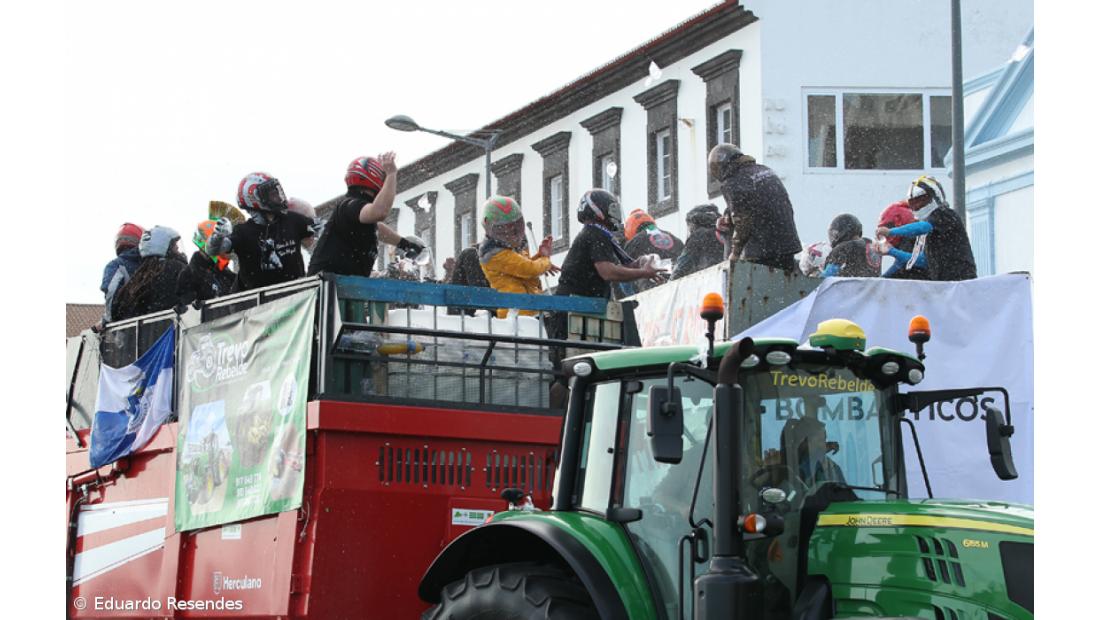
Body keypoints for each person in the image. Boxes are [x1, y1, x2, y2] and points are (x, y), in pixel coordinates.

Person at [547, 190, 665, 403]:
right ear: (598, 211)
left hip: (580, 309)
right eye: (611, 209)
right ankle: (557, 415)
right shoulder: (595, 234)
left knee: (576, 369)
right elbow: (608, 271)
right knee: (566, 372)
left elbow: (628, 263)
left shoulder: (601, 234)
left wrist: (644, 264)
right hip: (570, 310)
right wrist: (643, 272)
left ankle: (567, 412)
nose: (615, 214)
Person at [307, 153, 424, 278]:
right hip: (326, 287)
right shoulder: (350, 205)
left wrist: (405, 244)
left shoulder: (352, 209)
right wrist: (391, 174)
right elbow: (380, 212)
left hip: (339, 284)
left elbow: (378, 228)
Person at [206, 172, 320, 292]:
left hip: (296, 299)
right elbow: (212, 250)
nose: (278, 197)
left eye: (277, 192)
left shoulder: (291, 219)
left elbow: (321, 227)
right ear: (254, 199)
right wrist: (218, 236)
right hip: (258, 306)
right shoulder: (243, 232)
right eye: (272, 194)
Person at [709, 143, 802, 272]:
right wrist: (727, 216)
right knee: (784, 286)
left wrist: (735, 253)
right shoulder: (764, 170)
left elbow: (742, 220)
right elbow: (758, 201)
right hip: (787, 242)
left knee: (760, 288)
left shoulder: (733, 181)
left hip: (763, 248)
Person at [875, 175, 976, 281]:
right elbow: (923, 261)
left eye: (921, 200)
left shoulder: (945, 214)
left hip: (961, 281)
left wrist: (891, 231)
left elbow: (923, 227)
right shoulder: (930, 231)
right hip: (945, 285)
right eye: (913, 203)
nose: (917, 206)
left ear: (934, 196)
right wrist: (891, 251)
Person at [477, 195, 560, 317]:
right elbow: (528, 269)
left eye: (516, 227)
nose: (512, 234)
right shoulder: (494, 253)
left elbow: (521, 267)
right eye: (504, 229)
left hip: (526, 310)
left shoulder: (508, 247)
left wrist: (539, 257)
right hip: (514, 314)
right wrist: (545, 260)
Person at [111, 226, 188, 321]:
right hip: (174, 330)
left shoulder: (139, 277)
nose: (177, 247)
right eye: (174, 245)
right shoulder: (176, 268)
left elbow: (117, 311)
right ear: (163, 246)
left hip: (144, 333)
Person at [177, 220, 237, 306]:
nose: (224, 250)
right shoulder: (188, 275)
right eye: (219, 245)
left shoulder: (225, 274)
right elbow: (189, 312)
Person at [623, 209, 682, 292]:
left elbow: (624, 271)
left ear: (630, 228)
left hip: (651, 287)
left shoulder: (634, 242)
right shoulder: (674, 238)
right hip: (678, 284)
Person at [100, 222, 145, 324]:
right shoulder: (150, 265)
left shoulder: (116, 265)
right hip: (152, 325)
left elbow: (111, 293)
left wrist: (108, 319)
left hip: (127, 328)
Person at [874, 200, 930, 280]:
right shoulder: (913, 239)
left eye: (889, 226)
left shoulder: (913, 240)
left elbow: (920, 262)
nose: (887, 237)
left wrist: (891, 251)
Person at [671, 204, 726, 280]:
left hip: (711, 279)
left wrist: (669, 282)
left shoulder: (698, 236)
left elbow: (682, 266)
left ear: (694, 223)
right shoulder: (726, 232)